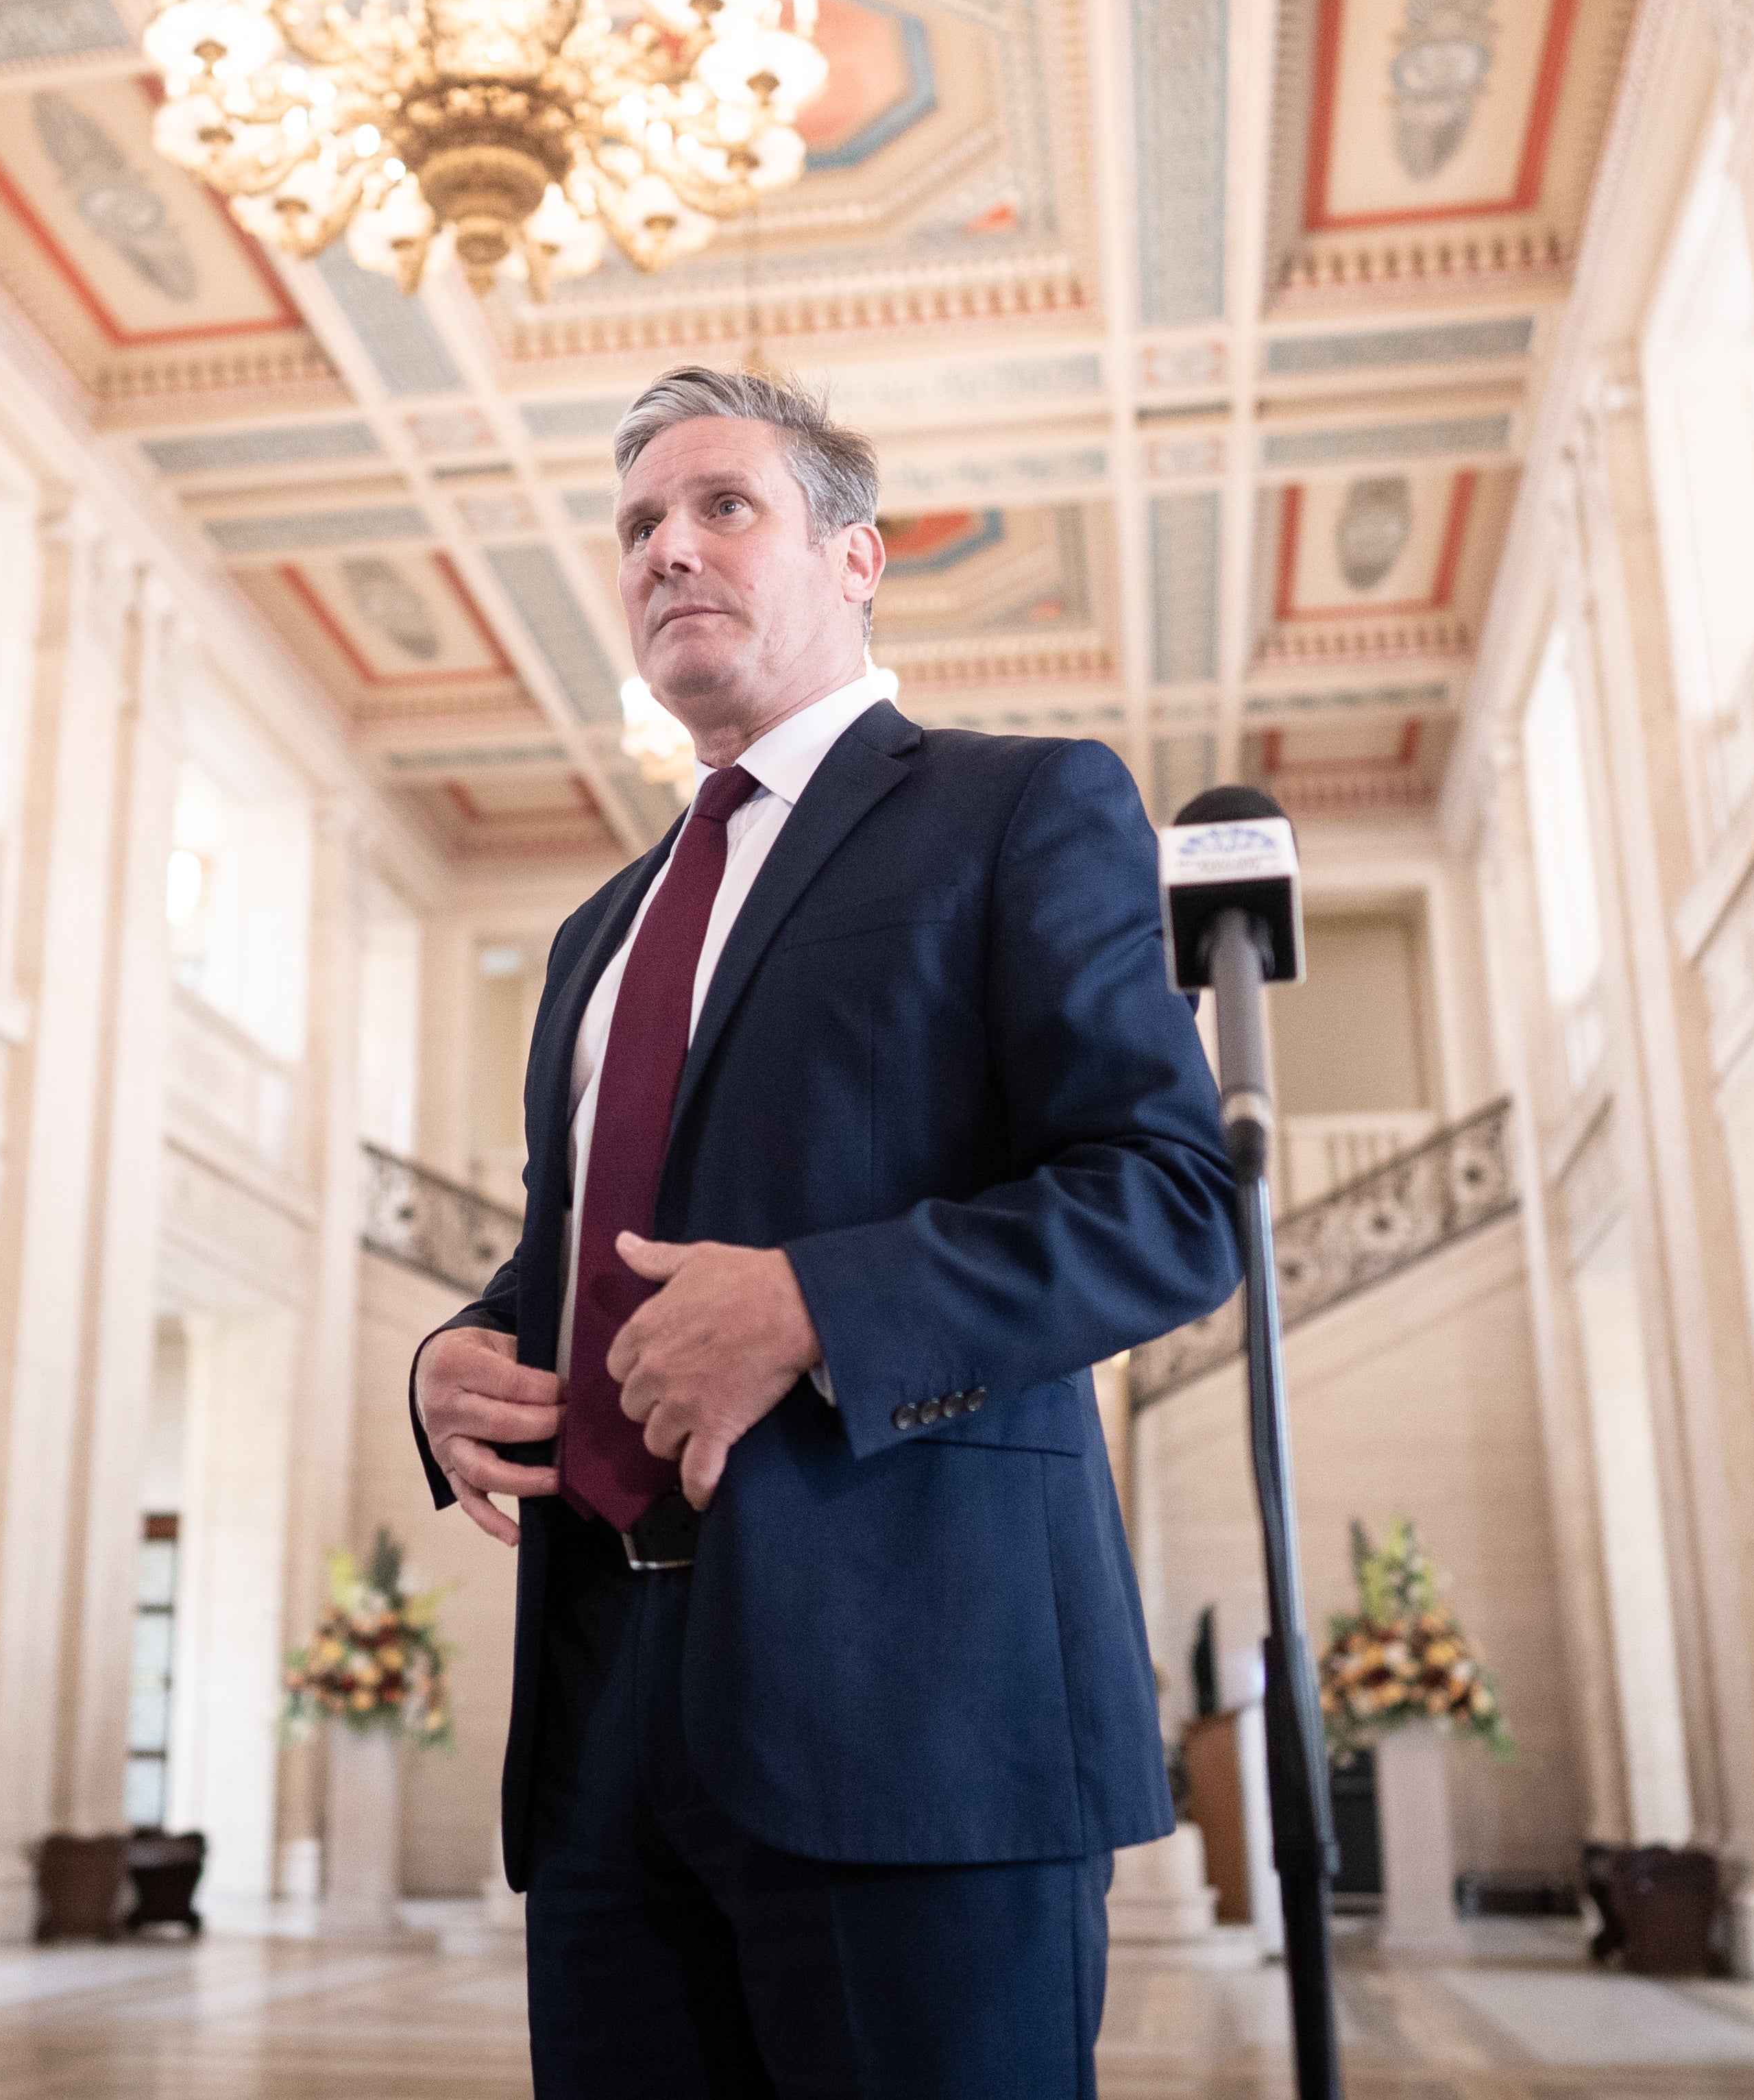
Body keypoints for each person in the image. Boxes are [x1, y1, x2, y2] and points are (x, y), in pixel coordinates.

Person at [407, 365, 1242, 2097]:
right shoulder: (598, 931)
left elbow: (1166, 1200)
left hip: (916, 1698)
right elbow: (580, 1249)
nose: (666, 550)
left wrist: (813, 1305)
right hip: (602, 1723)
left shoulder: (1020, 806)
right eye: (638, 524)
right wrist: (461, 1356)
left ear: (855, 559)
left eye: (725, 507)